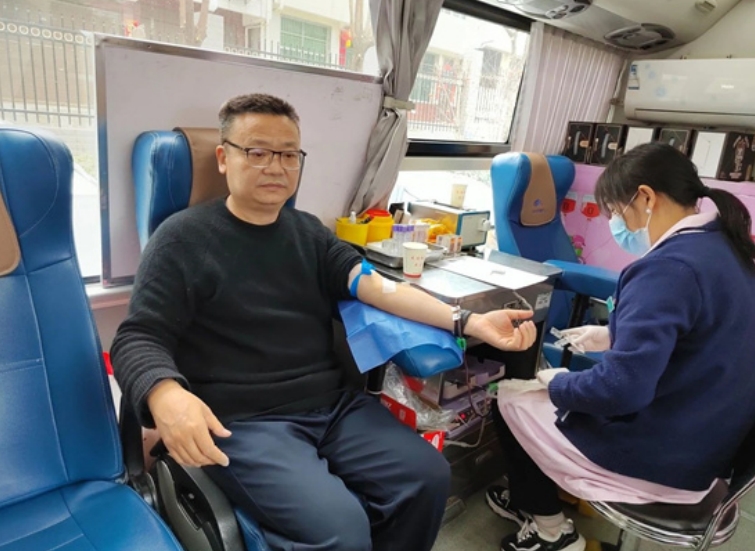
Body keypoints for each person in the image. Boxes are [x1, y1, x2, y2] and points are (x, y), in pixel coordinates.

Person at [112, 93, 538, 551]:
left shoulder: (309, 232)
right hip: (245, 421)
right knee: (341, 528)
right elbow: (138, 336)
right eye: (257, 152)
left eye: (289, 154)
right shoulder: (181, 239)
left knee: (427, 476)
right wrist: (166, 394)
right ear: (223, 157)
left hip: (332, 408)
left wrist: (468, 322)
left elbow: (378, 287)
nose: (276, 167)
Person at [485, 142, 755, 551]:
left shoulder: (667, 268)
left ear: (645, 197)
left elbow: (621, 390)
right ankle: (534, 497)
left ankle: (551, 530)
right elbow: (708, 333)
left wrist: (558, 383)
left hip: (662, 460)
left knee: (509, 398)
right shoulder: (730, 248)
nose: (615, 224)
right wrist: (615, 335)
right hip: (710, 450)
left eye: (614, 211)